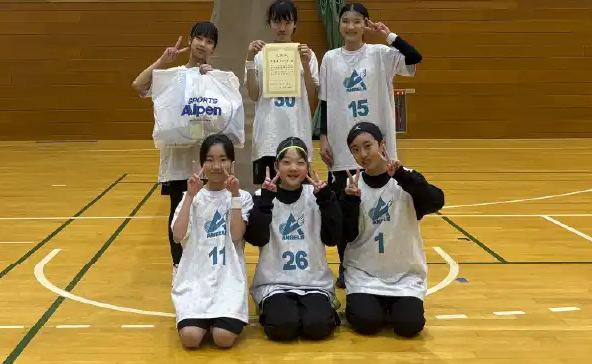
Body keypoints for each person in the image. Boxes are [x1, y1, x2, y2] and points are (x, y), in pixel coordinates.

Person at [317, 3, 423, 288]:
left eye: (357, 21)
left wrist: (389, 36)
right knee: (346, 212)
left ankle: (381, 265)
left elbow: (415, 57)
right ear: (339, 24)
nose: (350, 27)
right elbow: (325, 102)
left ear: (366, 24)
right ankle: (346, 267)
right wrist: (323, 137)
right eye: (345, 21)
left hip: (377, 152)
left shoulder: (381, 54)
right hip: (342, 149)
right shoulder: (330, 58)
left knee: (378, 211)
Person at [339, 122, 444, 338]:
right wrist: (349, 202)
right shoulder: (352, 186)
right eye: (355, 150)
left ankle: (392, 306)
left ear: (382, 146)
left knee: (409, 326)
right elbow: (345, 235)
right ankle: (373, 306)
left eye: (368, 146)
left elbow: (436, 201)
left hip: (404, 274)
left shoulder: (406, 178)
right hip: (364, 273)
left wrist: (404, 177)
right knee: (366, 323)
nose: (363, 154)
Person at [132, 21, 218, 281]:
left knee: (206, 212)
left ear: (214, 48)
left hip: (204, 160)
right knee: (178, 210)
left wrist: (212, 81)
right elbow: (138, 85)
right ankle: (178, 265)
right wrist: (162, 60)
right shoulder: (172, 75)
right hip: (177, 159)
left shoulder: (214, 77)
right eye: (199, 38)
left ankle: (204, 265)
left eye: (209, 41)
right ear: (190, 41)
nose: (203, 44)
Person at [244, 137, 342, 342]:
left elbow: (332, 238)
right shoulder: (262, 195)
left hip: (314, 282)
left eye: (300, 162)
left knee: (317, 327)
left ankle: (321, 309)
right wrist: (265, 202)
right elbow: (256, 238)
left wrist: (327, 201)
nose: (293, 168)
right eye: (286, 162)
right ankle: (271, 308)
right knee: (282, 327)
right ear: (276, 166)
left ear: (307, 166)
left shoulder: (317, 195)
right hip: (274, 283)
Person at [170, 134, 254, 349]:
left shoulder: (243, 197)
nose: (216, 166)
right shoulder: (192, 197)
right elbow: (178, 235)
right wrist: (190, 196)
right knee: (190, 338)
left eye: (223, 159)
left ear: (232, 164)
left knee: (223, 338)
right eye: (209, 160)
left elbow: (237, 235)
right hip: (195, 281)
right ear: (201, 164)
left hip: (228, 281)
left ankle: (219, 318)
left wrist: (234, 196)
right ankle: (198, 319)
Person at [245, 0, 319, 185]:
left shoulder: (306, 54)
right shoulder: (259, 55)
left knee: (298, 197)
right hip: (267, 138)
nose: (282, 28)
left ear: (295, 24)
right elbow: (253, 94)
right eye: (277, 22)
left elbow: (312, 95)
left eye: (287, 22)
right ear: (269, 23)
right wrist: (249, 59)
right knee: (267, 197)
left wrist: (305, 65)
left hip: (297, 134)